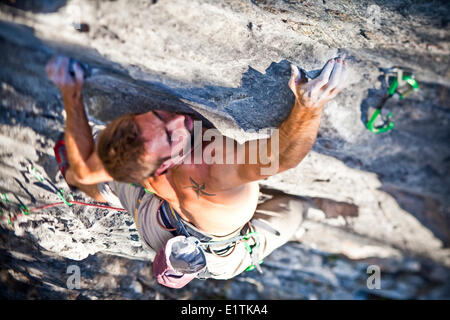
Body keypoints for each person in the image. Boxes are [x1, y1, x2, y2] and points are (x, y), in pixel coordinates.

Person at [46, 56, 348, 288]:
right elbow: (281, 158)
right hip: (221, 253)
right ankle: (320, 209)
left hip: (158, 223)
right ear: (160, 168)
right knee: (295, 210)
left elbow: (86, 169)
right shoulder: (214, 168)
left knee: (82, 176)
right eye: (170, 137)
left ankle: (86, 186)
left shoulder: (137, 156)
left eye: (159, 116)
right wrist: (309, 107)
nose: (178, 122)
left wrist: (70, 93)